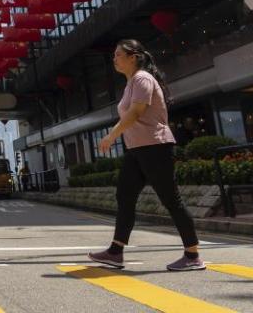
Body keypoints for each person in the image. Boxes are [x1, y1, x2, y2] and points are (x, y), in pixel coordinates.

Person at [87, 39, 204, 272]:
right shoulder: (131, 82)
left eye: (118, 55)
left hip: (155, 146)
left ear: (133, 57)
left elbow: (136, 112)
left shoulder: (142, 78)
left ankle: (192, 255)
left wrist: (111, 136)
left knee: (171, 200)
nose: (114, 59)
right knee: (125, 196)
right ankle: (115, 252)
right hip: (137, 149)